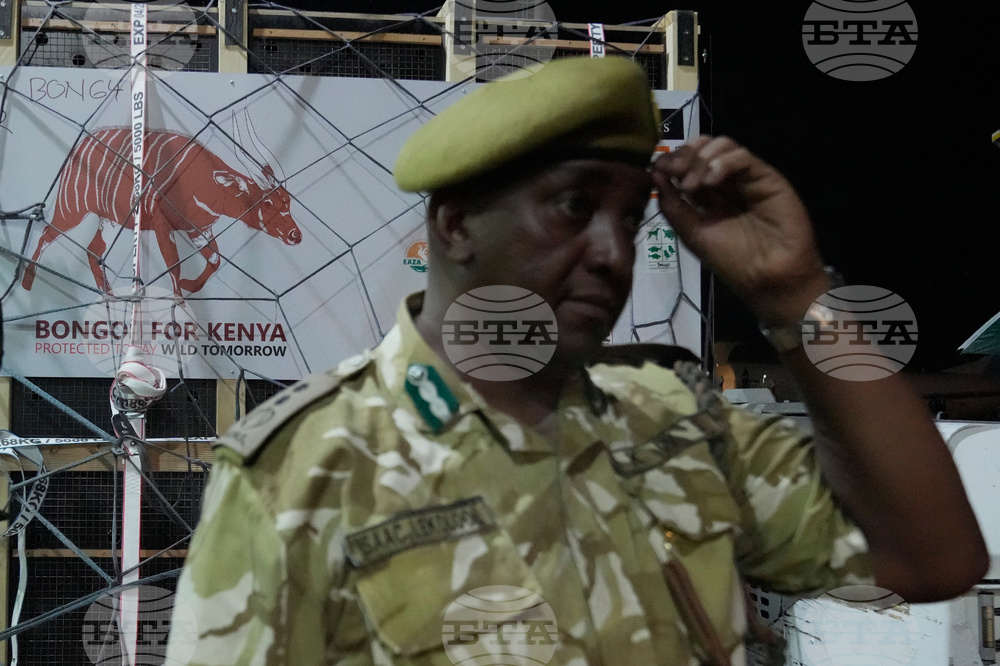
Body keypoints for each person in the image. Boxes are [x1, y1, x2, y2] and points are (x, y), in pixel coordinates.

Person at [165, 57, 987, 665]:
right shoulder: (304, 470)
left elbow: (934, 557)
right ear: (454, 227)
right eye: (573, 206)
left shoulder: (677, 423)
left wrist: (793, 294)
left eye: (631, 219)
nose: (612, 253)